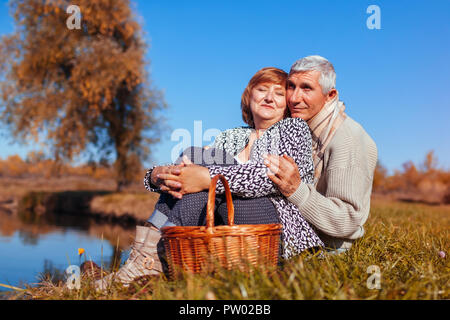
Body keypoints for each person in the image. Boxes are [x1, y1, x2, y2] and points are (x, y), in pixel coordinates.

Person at [95, 67, 323, 289]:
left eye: (279, 93)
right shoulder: (232, 136)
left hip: (274, 225)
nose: (269, 98)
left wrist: (207, 176)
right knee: (195, 162)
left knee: (205, 166)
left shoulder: (293, 129)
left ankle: (154, 258)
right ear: (250, 95)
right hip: (225, 217)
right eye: (263, 89)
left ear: (287, 103)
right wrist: (155, 176)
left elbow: (268, 177)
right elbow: (192, 171)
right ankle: (145, 260)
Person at [156, 55, 378, 253]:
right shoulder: (241, 134)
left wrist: (297, 190)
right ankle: (155, 246)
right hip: (248, 217)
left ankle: (159, 250)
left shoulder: (343, 137)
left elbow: (348, 221)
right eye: (291, 87)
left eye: (306, 88)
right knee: (197, 157)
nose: (294, 97)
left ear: (330, 96)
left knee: (208, 174)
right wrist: (156, 176)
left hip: (327, 243)